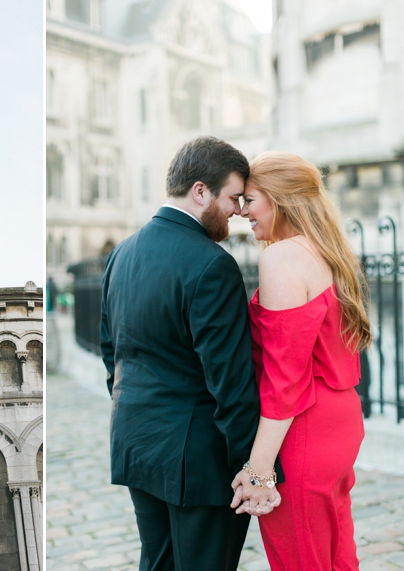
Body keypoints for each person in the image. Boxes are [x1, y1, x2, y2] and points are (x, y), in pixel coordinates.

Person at [100, 136, 280, 570]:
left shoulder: (120, 254)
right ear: (200, 191)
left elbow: (112, 356)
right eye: (234, 197)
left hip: (135, 443)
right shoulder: (211, 264)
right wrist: (252, 468)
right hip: (197, 462)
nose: (239, 210)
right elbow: (230, 383)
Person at [231, 151, 371, 570]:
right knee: (336, 553)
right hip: (339, 419)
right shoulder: (328, 251)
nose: (241, 212)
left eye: (250, 199)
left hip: (304, 429)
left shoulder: (282, 256)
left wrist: (258, 472)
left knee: (303, 558)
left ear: (280, 199)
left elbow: (284, 378)